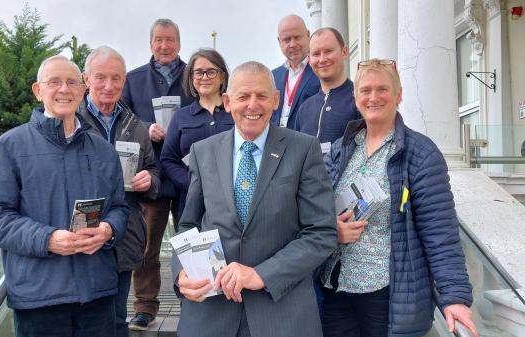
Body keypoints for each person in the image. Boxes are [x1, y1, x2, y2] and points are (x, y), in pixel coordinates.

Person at [173, 61, 338, 337]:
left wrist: (261, 274)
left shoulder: (303, 149)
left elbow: (321, 232)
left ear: (275, 100)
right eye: (243, 96)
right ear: (227, 102)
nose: (252, 105)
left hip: (281, 312)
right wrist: (181, 273)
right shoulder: (203, 152)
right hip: (210, 313)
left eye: (262, 96)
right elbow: (188, 225)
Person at [318, 58, 478, 337]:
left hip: (388, 295)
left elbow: (440, 231)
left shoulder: (420, 154)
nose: (373, 97)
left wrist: (454, 297)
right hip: (337, 287)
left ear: (398, 95)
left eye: (382, 89)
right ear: (356, 99)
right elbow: (318, 208)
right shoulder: (343, 148)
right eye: (365, 91)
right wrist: (332, 229)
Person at [0, 55, 129, 337]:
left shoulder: (103, 151)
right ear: (38, 90)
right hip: (39, 297)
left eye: (72, 82)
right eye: (55, 82)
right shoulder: (9, 146)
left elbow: (120, 208)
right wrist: (47, 239)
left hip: (97, 292)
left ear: (84, 88)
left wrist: (109, 230)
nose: (64, 89)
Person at [78, 46, 160, 337]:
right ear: (86, 79)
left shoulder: (137, 126)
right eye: (100, 77)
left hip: (123, 235)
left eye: (116, 78)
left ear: (124, 81)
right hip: (82, 235)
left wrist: (149, 180)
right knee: (84, 317)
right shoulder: (69, 122)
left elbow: (153, 169)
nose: (109, 86)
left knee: (116, 318)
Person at [120, 18, 194, 330]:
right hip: (149, 175)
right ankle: (145, 305)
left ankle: (193, 300)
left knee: (192, 239)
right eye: (159, 40)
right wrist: (143, 128)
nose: (164, 46)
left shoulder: (195, 74)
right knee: (147, 244)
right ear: (151, 43)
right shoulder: (133, 79)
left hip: (189, 171)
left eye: (170, 40)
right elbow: (120, 117)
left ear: (179, 43)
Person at [161, 48, 234, 217]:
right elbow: (168, 160)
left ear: (222, 76)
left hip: (233, 202)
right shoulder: (181, 117)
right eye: (199, 72)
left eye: (211, 72)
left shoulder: (235, 112)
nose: (205, 77)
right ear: (191, 77)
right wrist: (195, 185)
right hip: (191, 204)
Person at [293, 27, 361, 151]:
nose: (322, 59)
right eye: (316, 54)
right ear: (309, 59)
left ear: (344, 52)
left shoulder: (360, 100)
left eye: (328, 51)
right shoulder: (304, 109)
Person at [271, 14, 320, 129]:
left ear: (308, 35)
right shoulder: (272, 76)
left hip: (306, 143)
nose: (293, 44)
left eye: (297, 37)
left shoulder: (320, 71)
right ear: (279, 41)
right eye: (287, 40)